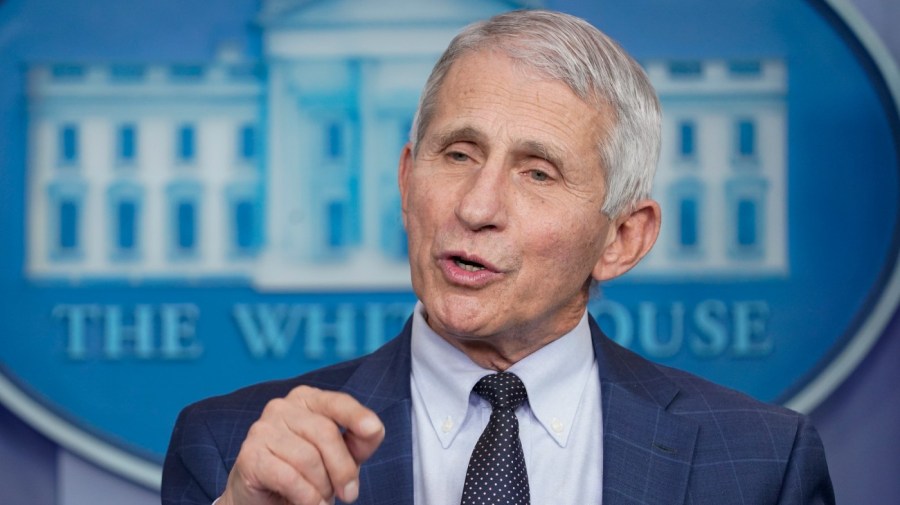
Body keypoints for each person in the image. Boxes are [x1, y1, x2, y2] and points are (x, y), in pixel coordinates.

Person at [162, 9, 834, 505]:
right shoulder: (232, 450)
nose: (476, 206)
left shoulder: (762, 463)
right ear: (405, 182)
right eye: (458, 154)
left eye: (538, 172)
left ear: (622, 238)